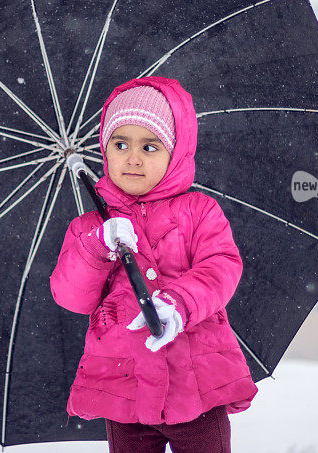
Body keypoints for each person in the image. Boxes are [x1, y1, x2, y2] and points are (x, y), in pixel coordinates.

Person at [50, 76, 258, 453]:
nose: (132, 157)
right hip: (124, 388)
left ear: (175, 152)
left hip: (197, 387)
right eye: (120, 143)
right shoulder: (91, 228)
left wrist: (179, 303)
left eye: (149, 146)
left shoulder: (198, 212)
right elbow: (71, 296)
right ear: (105, 149)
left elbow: (221, 267)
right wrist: (98, 248)